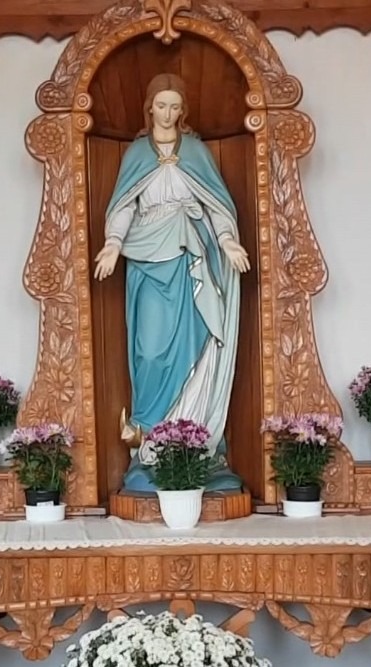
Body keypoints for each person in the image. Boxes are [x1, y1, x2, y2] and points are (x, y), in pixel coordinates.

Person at [93, 73, 249, 493]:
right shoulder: (136, 154)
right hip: (147, 261)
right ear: (149, 108)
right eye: (160, 105)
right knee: (149, 351)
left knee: (195, 348)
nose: (167, 113)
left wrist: (228, 240)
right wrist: (112, 244)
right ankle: (148, 439)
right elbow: (124, 205)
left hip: (190, 261)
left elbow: (216, 204)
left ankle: (192, 443)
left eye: (174, 106)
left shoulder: (195, 151)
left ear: (183, 110)